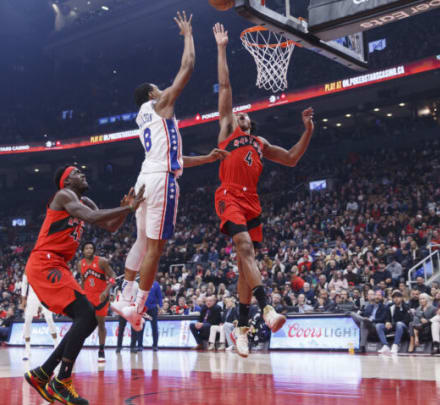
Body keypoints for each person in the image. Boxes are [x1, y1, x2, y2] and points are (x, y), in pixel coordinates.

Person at [113, 11, 229, 331]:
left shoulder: (144, 119)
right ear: (152, 94)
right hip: (161, 181)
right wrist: (188, 35)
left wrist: (206, 158)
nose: (162, 88)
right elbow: (188, 67)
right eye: (157, 87)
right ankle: (137, 308)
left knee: (141, 241)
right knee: (156, 247)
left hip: (147, 175)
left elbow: (172, 157)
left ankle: (124, 296)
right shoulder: (161, 105)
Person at [212, 22, 314, 357]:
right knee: (242, 246)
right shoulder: (227, 130)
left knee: (246, 263)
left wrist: (308, 129)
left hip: (252, 201)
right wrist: (222, 47)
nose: (240, 114)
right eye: (237, 113)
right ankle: (267, 309)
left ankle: (241, 329)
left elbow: (293, 158)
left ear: (251, 124)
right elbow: (225, 85)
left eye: (244, 115)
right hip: (229, 194)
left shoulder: (260, 142)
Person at [23, 165, 143, 405]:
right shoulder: (64, 196)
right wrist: (126, 208)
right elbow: (90, 217)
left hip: (58, 264)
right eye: (77, 172)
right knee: (87, 315)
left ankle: (43, 374)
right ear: (67, 181)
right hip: (45, 262)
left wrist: (125, 211)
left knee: (86, 318)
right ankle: (61, 381)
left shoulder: (85, 200)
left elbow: (109, 226)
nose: (83, 174)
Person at [77, 242, 115, 363]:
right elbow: (83, 280)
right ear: (83, 251)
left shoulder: (101, 261)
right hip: (88, 297)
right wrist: (82, 295)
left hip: (101, 297)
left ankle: (101, 350)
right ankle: (76, 349)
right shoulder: (80, 264)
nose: (89, 250)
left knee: (101, 324)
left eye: (91, 248)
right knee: (82, 324)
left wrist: (106, 290)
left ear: (94, 250)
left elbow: (113, 275)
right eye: (86, 248)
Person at [21, 271, 58, 361]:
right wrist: (23, 298)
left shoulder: (46, 263)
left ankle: (56, 345)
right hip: (32, 295)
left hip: (45, 295)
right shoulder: (29, 266)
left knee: (49, 319)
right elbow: (24, 282)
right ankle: (27, 349)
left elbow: (52, 281)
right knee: (27, 320)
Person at [145, 280, 163, 351]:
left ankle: (155, 345)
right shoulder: (141, 282)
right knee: (141, 327)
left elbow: (159, 296)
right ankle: (139, 345)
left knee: (154, 327)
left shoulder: (155, 283)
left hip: (153, 308)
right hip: (143, 309)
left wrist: (160, 307)